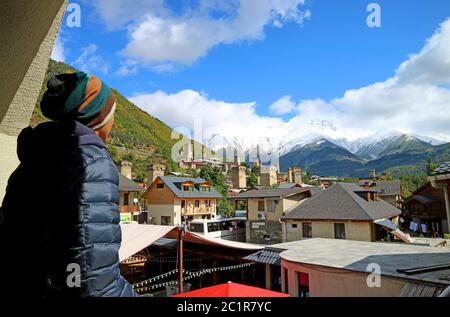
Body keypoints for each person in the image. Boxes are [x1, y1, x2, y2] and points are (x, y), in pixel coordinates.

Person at [0, 72, 138, 297]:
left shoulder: (35, 157)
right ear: (98, 118)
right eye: (111, 114)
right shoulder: (92, 163)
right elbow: (91, 276)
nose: (112, 122)